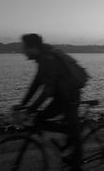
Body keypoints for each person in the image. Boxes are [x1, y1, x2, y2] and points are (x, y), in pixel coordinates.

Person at [16, 33, 86, 171]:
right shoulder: (42, 58)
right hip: (60, 96)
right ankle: (67, 143)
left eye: (24, 47)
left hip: (70, 96)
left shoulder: (48, 59)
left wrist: (30, 109)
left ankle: (76, 165)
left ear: (33, 47)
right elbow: (36, 84)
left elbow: (47, 91)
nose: (22, 51)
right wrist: (23, 104)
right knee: (39, 120)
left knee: (73, 132)